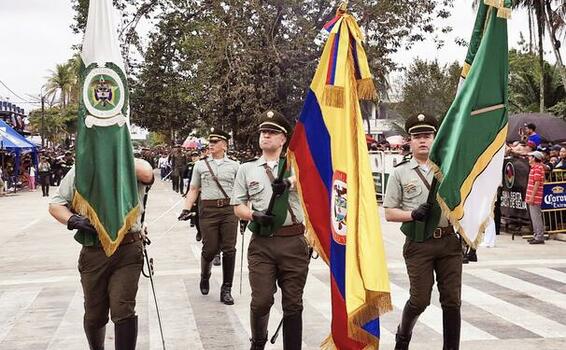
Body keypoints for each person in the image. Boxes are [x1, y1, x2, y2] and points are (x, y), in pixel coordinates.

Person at [48, 158, 153, 350]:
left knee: (123, 309)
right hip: (94, 251)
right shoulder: (81, 167)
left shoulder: (131, 163)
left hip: (128, 249)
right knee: (94, 313)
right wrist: (74, 220)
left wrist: (114, 152)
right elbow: (56, 205)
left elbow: (147, 173)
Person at [383, 113, 462, 350]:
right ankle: (403, 335)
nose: (423, 141)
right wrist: (412, 214)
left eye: (427, 135)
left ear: (435, 138)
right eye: (417, 136)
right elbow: (389, 212)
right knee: (419, 300)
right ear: (410, 141)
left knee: (452, 301)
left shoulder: (449, 169)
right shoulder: (401, 172)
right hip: (419, 244)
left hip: (449, 242)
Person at [232, 110, 310, 350]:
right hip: (262, 243)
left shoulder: (297, 166)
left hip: (293, 241)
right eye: (263, 132)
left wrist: (289, 181)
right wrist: (254, 214)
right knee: (261, 300)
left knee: (293, 304)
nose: (266, 136)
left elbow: (312, 182)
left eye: (272, 132)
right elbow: (238, 205)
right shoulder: (247, 169)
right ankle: (258, 342)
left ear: (283, 139)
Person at [178, 128, 239, 305]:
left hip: (229, 210)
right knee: (210, 248)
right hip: (208, 211)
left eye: (215, 142)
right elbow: (194, 189)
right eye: (210, 142)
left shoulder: (235, 166)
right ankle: (205, 275)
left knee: (229, 250)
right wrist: (186, 208)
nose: (211, 145)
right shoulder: (200, 165)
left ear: (224, 145)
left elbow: (240, 192)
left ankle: (226, 288)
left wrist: (243, 215)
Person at [526, 150, 546, 244]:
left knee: (536, 217)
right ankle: (536, 235)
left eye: (531, 156)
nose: (529, 158)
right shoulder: (535, 168)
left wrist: (532, 197)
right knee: (534, 217)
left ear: (534, 158)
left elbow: (537, 183)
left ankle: (539, 237)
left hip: (535, 197)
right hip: (532, 196)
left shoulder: (537, 168)